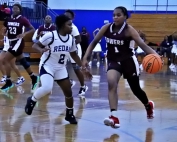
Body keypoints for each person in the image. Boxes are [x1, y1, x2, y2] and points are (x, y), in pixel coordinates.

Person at [82, 6, 157, 128]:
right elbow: (93, 43)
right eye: (114, 15)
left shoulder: (129, 30)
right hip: (113, 60)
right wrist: (85, 58)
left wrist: (156, 56)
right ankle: (114, 117)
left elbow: (143, 45)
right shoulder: (106, 28)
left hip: (128, 61)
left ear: (125, 17)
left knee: (136, 89)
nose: (115, 17)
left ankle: (148, 105)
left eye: (118, 15)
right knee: (111, 83)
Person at [25, 14, 92, 124]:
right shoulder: (51, 36)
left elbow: (74, 55)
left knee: (68, 92)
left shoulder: (71, 39)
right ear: (61, 26)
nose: (71, 27)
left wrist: (83, 68)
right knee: (47, 87)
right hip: (48, 66)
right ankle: (32, 100)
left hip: (61, 67)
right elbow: (35, 46)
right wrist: (41, 50)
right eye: (69, 25)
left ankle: (69, 115)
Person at [1, 3, 39, 92]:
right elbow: (6, 28)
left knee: (5, 60)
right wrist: (4, 32)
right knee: (23, 61)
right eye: (13, 8)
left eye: (17, 8)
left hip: (18, 42)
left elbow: (33, 29)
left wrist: (24, 34)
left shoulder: (23, 19)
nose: (15, 10)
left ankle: (8, 81)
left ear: (20, 10)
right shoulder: (9, 19)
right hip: (11, 42)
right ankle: (33, 77)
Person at [64, 10, 88, 96]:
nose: (66, 17)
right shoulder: (61, 27)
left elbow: (79, 40)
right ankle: (70, 81)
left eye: (68, 16)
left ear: (72, 18)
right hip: (65, 49)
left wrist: (70, 45)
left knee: (76, 69)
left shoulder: (73, 28)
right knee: (61, 66)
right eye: (65, 16)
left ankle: (83, 86)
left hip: (75, 49)